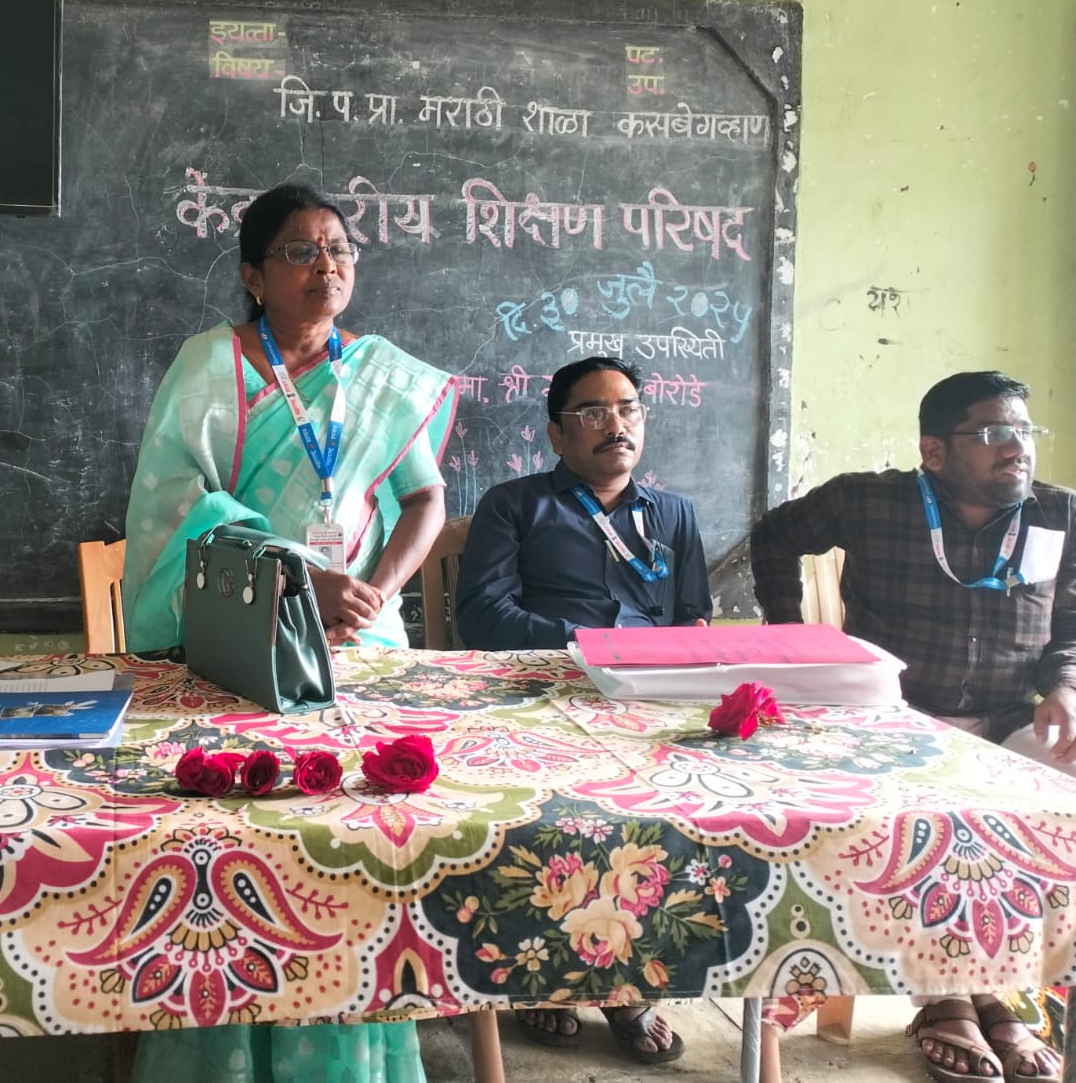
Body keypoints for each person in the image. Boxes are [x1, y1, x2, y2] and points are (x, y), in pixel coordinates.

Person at [121, 182, 455, 1083]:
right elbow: (174, 508)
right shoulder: (210, 367)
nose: (326, 266)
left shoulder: (376, 376)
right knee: (231, 842)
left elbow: (425, 499)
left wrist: (378, 591)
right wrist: (298, 577)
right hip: (236, 646)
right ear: (252, 275)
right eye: (301, 251)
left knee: (357, 844)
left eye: (338, 249)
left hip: (353, 648)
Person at [750, 369, 1067, 1083]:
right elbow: (774, 536)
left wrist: (1066, 686)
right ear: (934, 451)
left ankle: (1012, 983)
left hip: (1010, 718)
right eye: (994, 433)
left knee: (1063, 783)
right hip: (891, 724)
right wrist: (795, 636)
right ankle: (950, 996)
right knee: (930, 813)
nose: (1017, 448)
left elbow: (1071, 623)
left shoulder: (1059, 512)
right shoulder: (868, 500)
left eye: (1024, 431)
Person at [454, 354, 706, 1064]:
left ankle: (628, 981)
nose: (615, 425)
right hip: (539, 696)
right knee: (551, 825)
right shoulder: (515, 504)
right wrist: (590, 646)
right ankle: (544, 976)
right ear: (557, 434)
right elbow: (483, 616)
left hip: (644, 704)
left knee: (661, 824)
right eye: (593, 412)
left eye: (628, 409)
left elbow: (692, 619)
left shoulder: (675, 513)